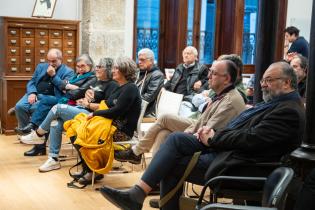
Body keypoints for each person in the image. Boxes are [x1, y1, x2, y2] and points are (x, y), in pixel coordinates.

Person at [99, 61, 305, 210]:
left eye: (269, 80)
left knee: (174, 146)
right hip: (233, 156)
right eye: (262, 79)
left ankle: (138, 193)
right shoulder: (275, 105)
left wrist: (214, 137)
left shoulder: (287, 110)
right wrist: (213, 135)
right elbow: (241, 131)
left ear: (286, 83)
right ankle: (139, 194)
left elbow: (250, 139)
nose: (262, 84)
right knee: (171, 142)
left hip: (241, 167)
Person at [115, 59, 246, 164]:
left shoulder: (230, 99)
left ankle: (136, 152)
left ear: (227, 78)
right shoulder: (220, 93)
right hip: (196, 120)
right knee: (163, 132)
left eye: (214, 73)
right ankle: (154, 177)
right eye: (210, 71)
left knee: (166, 119)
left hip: (205, 137)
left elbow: (207, 128)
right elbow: (196, 104)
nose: (209, 76)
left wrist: (183, 133)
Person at [20, 58, 118, 172]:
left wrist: (89, 104)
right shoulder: (97, 81)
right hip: (82, 108)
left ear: (108, 69)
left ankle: (38, 134)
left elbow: (108, 107)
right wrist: (83, 98)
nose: (96, 69)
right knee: (56, 122)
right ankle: (53, 159)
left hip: (94, 115)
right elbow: (80, 92)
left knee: (57, 108)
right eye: (97, 66)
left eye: (99, 67)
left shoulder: (112, 85)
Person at [14, 48, 74, 155]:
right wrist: (32, 92)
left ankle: (39, 146)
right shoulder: (41, 66)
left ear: (61, 59)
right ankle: (26, 132)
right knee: (19, 106)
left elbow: (63, 88)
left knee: (37, 109)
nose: (51, 64)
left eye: (54, 61)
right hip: (36, 94)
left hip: (50, 97)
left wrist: (53, 75)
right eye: (49, 61)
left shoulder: (68, 72)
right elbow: (32, 82)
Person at [136, 48, 164, 116]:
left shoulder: (157, 75)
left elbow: (148, 97)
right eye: (138, 59)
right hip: (136, 105)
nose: (139, 62)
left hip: (145, 110)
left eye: (142, 60)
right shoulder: (140, 72)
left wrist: (131, 102)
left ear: (151, 61)